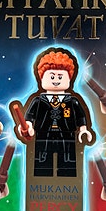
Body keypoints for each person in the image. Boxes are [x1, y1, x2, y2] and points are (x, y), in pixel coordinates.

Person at [16, 48, 94, 177]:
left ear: (70, 79)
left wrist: (84, 130)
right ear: (41, 78)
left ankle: (68, 181)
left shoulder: (72, 101)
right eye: (51, 76)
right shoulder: (37, 101)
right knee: (42, 163)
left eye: (60, 76)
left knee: (67, 163)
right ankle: (41, 180)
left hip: (67, 135)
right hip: (43, 135)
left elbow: (81, 116)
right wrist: (27, 126)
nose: (56, 80)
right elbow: (29, 118)